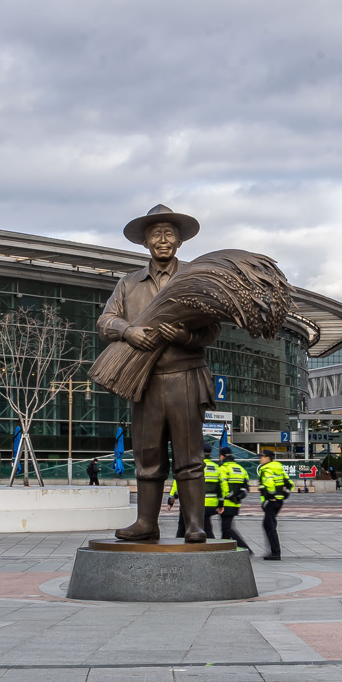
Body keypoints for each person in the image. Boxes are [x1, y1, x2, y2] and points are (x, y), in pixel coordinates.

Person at [100, 205, 219, 543]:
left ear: (179, 241)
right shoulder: (128, 284)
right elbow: (105, 321)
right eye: (156, 235)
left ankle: (195, 524)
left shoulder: (195, 278)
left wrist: (185, 338)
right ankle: (146, 523)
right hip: (145, 380)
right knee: (147, 456)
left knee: (189, 457)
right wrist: (127, 331)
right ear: (145, 243)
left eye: (169, 234)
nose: (163, 240)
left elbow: (212, 331)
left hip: (185, 378)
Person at [216, 446, 253, 552]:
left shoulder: (223, 469)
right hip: (236, 504)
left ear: (222, 456)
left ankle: (245, 548)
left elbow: (223, 485)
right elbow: (246, 487)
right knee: (226, 527)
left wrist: (227, 497)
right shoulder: (241, 469)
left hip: (227, 503)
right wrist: (239, 497)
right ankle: (224, 548)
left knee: (227, 528)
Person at [258, 448, 292, 559]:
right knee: (268, 524)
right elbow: (289, 483)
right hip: (279, 500)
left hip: (271, 501)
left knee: (270, 526)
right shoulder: (279, 467)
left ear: (267, 458)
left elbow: (269, 483)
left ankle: (275, 553)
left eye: (262, 457)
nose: (260, 459)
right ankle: (274, 551)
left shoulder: (266, 469)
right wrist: (286, 493)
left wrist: (270, 497)